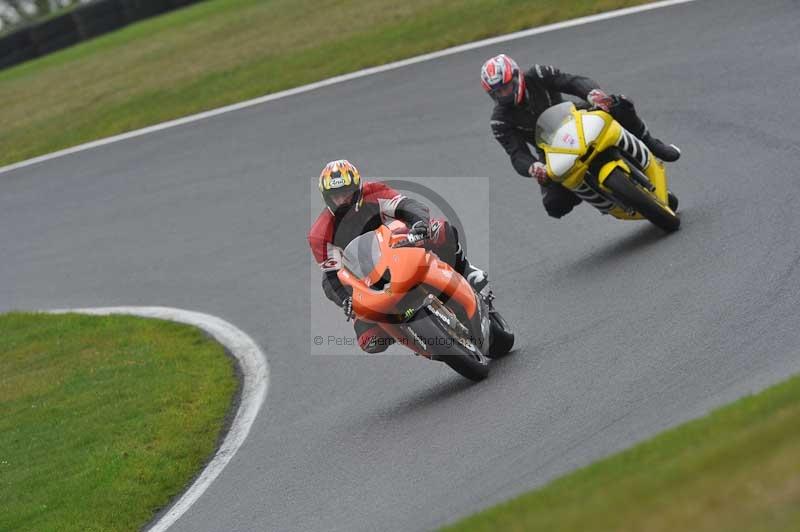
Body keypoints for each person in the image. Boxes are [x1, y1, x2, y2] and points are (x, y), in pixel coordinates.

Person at [308, 159, 487, 353]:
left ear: (358, 189)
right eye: (336, 196)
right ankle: (406, 333)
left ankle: (466, 270)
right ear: (327, 198)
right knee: (369, 341)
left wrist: (419, 224)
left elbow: (407, 205)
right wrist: (345, 299)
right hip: (366, 279)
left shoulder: (374, 193)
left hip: (399, 247)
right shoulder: (320, 233)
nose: (343, 200)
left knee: (440, 230)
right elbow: (331, 276)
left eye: (347, 193)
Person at [481, 54, 681, 219]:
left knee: (620, 104)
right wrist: (533, 167)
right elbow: (517, 154)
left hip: (576, 117)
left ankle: (652, 144)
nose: (503, 95)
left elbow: (572, 81)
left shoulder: (538, 74)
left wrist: (592, 94)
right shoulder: (500, 121)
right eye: (497, 93)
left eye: (505, 87)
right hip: (550, 149)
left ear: (517, 76)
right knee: (554, 205)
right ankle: (597, 192)